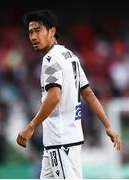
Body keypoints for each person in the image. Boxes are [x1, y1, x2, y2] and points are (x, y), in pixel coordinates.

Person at [16, 9, 122, 179]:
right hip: (61, 140)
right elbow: (88, 93)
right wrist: (108, 125)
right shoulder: (70, 56)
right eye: (30, 32)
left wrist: (31, 127)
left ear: (52, 31)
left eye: (38, 30)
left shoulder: (50, 59)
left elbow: (54, 96)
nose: (34, 37)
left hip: (61, 141)